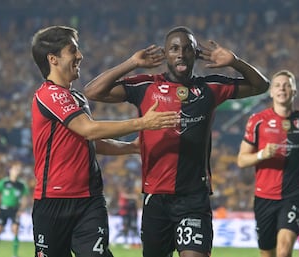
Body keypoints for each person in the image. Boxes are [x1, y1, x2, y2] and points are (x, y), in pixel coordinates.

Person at [84, 26, 269, 257]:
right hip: (156, 199)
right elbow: (92, 91)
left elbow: (262, 86)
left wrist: (236, 62)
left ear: (195, 55)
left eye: (187, 49)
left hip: (194, 197)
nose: (180, 53)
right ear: (165, 54)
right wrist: (131, 63)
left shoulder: (210, 87)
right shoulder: (147, 86)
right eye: (174, 49)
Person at [30, 25, 179, 257]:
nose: (80, 56)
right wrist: (143, 123)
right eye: (73, 51)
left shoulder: (76, 97)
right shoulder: (48, 95)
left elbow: (92, 142)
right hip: (53, 201)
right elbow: (89, 130)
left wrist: (131, 147)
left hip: (90, 199)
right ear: (53, 59)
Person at [237, 69, 299, 257]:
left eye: (287, 85)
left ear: (294, 91)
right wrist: (261, 155)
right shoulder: (257, 121)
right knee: (268, 253)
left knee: (284, 251)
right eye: (277, 85)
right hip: (264, 198)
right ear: (271, 92)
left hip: (294, 195)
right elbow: (241, 160)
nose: (282, 89)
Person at [0, 161, 29, 257]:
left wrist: (21, 210)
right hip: (3, 209)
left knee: (15, 229)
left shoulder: (21, 185)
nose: (16, 171)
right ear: (10, 170)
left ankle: (15, 254)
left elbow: (25, 199)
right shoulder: (3, 182)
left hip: (14, 210)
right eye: (15, 169)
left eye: (18, 170)